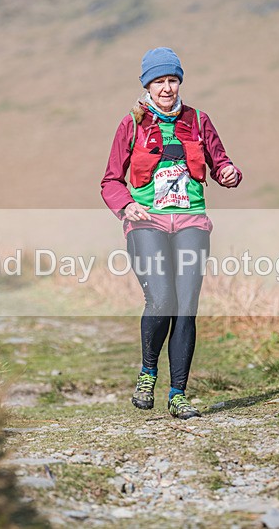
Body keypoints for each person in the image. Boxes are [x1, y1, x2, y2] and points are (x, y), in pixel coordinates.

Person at [101, 47, 242, 419]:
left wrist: (229, 174)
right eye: (159, 81)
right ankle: (148, 372)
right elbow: (110, 181)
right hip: (146, 223)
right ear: (148, 85)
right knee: (162, 299)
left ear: (180, 82)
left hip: (192, 222)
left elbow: (221, 162)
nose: (167, 88)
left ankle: (178, 393)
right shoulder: (132, 125)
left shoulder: (198, 121)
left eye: (172, 80)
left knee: (186, 307)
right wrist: (126, 205)